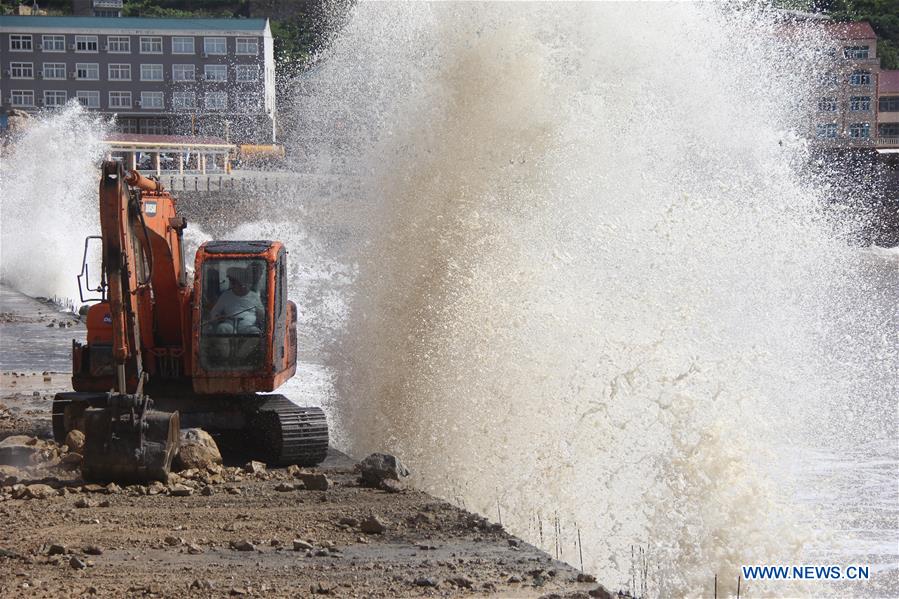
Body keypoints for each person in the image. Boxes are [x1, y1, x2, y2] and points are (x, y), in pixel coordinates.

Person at [208, 267, 264, 350]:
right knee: (222, 328)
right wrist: (217, 316)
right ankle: (225, 357)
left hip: (247, 326)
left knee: (256, 334)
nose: (232, 285)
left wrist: (261, 316)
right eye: (232, 282)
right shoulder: (226, 296)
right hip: (229, 325)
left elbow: (262, 314)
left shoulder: (254, 297)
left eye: (235, 282)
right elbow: (215, 311)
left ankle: (240, 357)